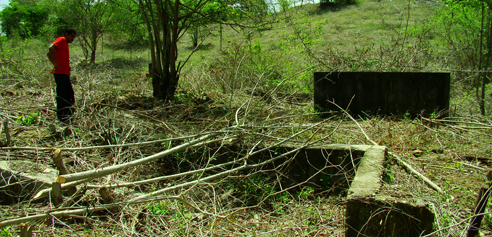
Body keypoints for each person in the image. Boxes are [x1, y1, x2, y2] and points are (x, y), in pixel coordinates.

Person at [47, 28, 77, 124]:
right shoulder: (62, 39)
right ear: (66, 34)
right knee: (62, 95)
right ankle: (62, 118)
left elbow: (48, 54)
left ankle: (68, 115)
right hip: (60, 73)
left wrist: (56, 63)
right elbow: (50, 49)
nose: (72, 39)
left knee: (69, 95)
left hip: (65, 73)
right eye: (71, 36)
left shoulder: (65, 44)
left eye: (74, 37)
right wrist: (56, 64)